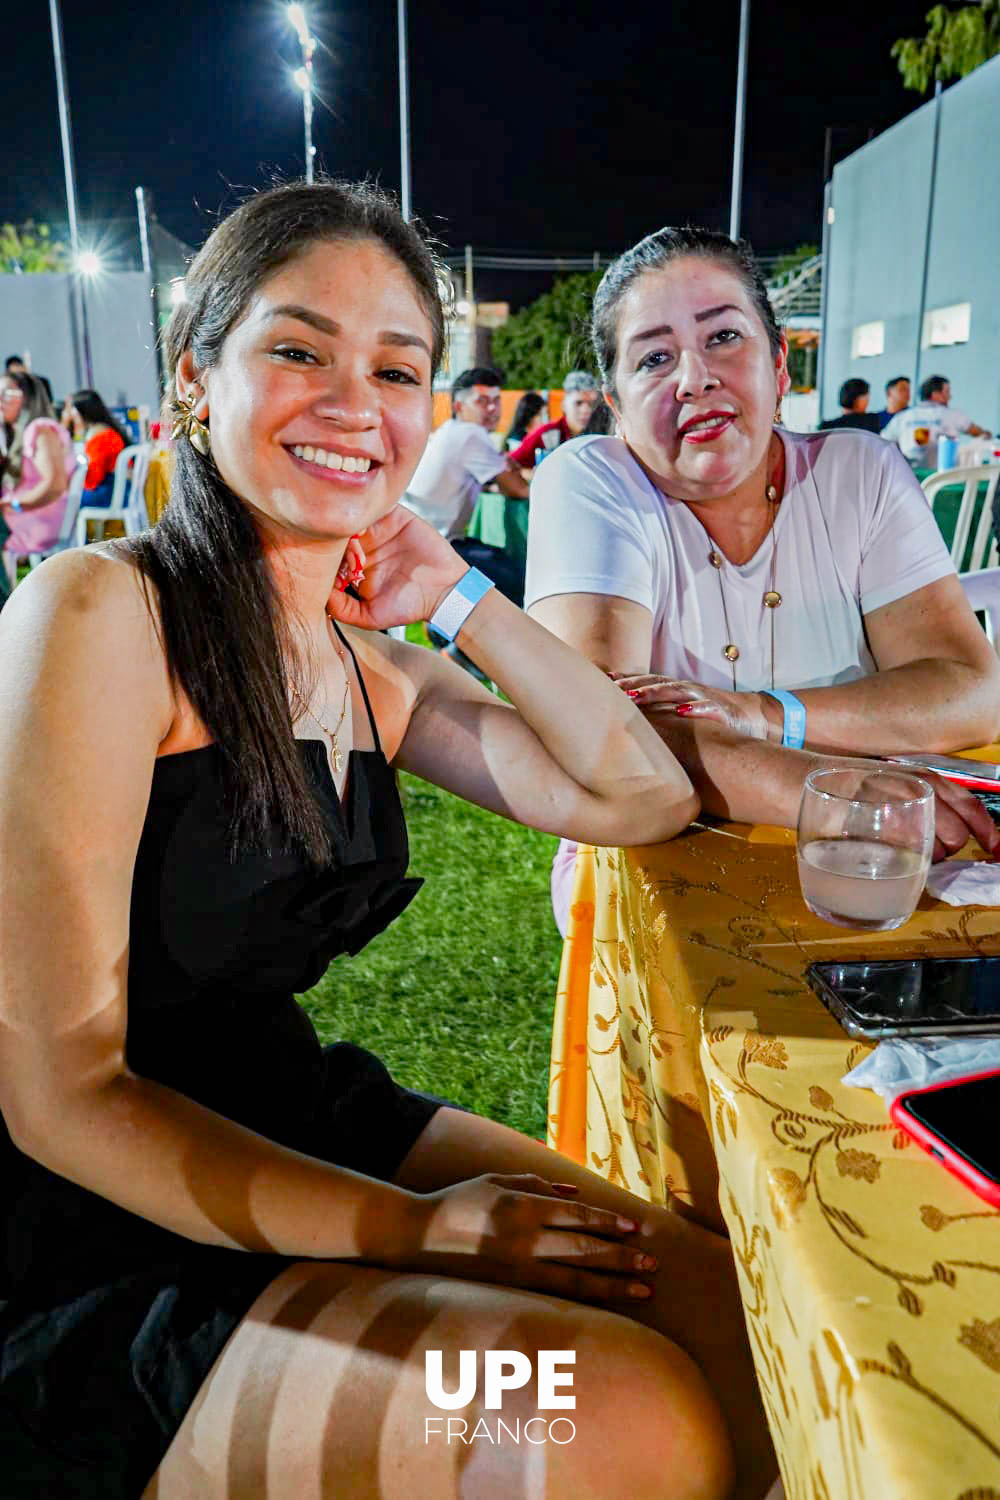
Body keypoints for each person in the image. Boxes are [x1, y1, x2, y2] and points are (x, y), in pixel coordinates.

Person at [0, 180, 780, 1500]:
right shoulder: (101, 611)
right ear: (198, 377)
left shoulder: (377, 669)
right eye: (298, 349)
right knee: (602, 1413)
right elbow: (59, 1096)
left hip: (301, 1118)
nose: (353, 401)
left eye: (398, 369)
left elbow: (638, 793)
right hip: (94, 1218)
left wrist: (461, 594)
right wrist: (419, 1235)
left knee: (738, 1311)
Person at [523, 225, 1000, 932]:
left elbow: (968, 691)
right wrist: (839, 791)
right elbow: (603, 731)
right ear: (616, 407)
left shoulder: (859, 474)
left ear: (779, 368)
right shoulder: (593, 482)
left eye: (723, 338)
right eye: (654, 357)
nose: (695, 377)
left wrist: (764, 714)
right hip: (667, 849)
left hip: (883, 841)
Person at [404, 365, 529, 539]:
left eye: (496, 400)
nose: (493, 408)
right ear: (459, 407)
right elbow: (520, 490)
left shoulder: (450, 430)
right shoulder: (471, 434)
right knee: (515, 565)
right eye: (482, 401)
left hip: (418, 537)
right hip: (433, 546)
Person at [0, 370, 75, 585]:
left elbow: (54, 485)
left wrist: (14, 504)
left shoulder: (39, 429)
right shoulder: (22, 432)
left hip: (40, 520)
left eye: (6, 394)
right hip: (32, 516)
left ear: (26, 398)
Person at [882, 374, 992, 469]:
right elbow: (976, 432)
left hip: (909, 478)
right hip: (942, 480)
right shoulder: (952, 415)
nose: (950, 396)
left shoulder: (903, 417)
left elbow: (883, 443)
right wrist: (988, 435)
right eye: (947, 392)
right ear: (936, 395)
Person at [507, 369, 600, 468]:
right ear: (564, 404)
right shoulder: (547, 433)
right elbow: (509, 463)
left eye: (591, 404)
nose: (586, 410)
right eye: (578, 403)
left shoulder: (597, 436)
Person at [62, 387, 130, 506]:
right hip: (122, 491)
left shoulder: (98, 436)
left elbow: (92, 480)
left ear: (81, 413)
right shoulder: (106, 430)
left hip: (110, 494)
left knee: (64, 501)